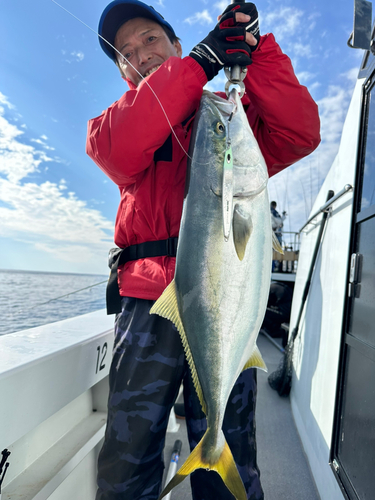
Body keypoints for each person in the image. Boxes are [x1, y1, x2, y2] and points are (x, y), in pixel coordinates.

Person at [86, 1, 320, 499]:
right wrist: (195, 65)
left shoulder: (227, 120)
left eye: (149, 40)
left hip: (227, 304)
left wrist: (256, 54)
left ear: (173, 43)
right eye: (125, 53)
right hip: (149, 306)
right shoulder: (113, 126)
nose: (139, 55)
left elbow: (300, 132)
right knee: (126, 466)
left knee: (227, 465)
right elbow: (122, 144)